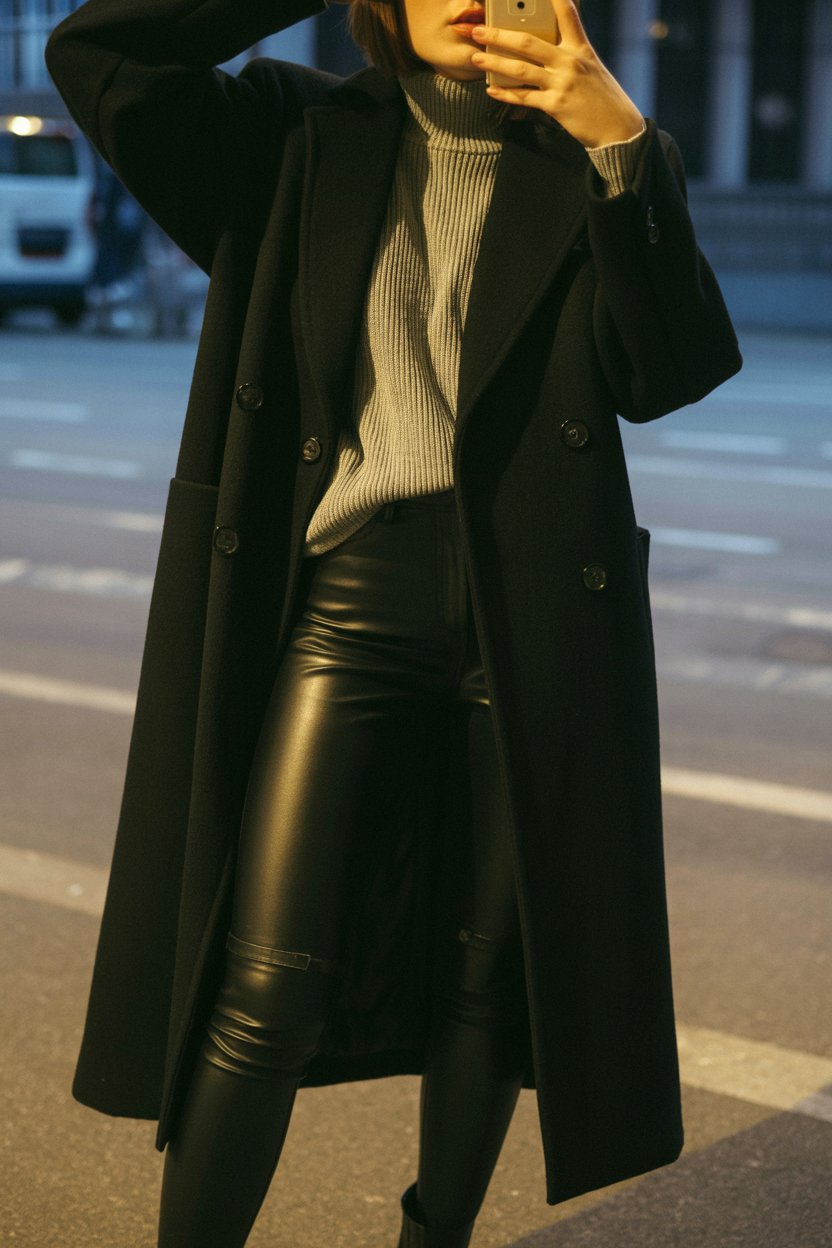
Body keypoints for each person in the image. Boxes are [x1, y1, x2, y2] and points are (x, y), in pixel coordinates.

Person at [45, 1, 742, 1245]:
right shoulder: (294, 134)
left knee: (484, 979)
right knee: (262, 987)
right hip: (348, 598)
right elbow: (103, 54)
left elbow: (670, 369)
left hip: (526, 614)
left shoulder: (581, 155)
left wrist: (621, 143)